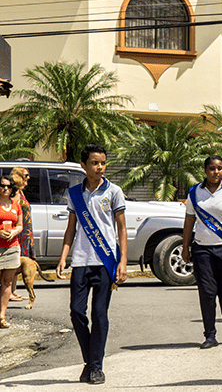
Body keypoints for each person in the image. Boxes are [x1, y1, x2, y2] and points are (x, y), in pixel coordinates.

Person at [56, 144, 128, 385]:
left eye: (103, 163)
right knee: (76, 312)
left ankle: (96, 367)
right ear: (83, 166)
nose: (99, 167)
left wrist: (123, 261)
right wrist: (64, 256)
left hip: (105, 261)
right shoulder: (75, 193)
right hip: (80, 261)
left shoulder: (114, 191)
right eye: (95, 163)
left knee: (99, 313)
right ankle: (90, 360)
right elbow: (71, 228)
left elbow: (121, 228)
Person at [181, 155, 222, 349]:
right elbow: (189, 221)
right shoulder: (195, 192)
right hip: (202, 249)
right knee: (207, 293)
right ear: (205, 170)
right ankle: (209, 335)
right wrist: (185, 246)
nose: (216, 172)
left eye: (219, 168)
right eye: (212, 168)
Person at [0, 175, 23, 330]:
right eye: (2, 186)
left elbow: (21, 225)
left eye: (8, 186)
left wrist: (15, 232)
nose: (5, 189)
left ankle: (2, 315)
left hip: (12, 246)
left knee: (8, 282)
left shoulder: (16, 204)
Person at [9, 167, 32, 302]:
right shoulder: (16, 193)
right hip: (19, 233)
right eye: (26, 175)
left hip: (25, 232)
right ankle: (10, 292)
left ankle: (13, 291)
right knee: (14, 262)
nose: (28, 178)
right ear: (18, 176)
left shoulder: (20, 192)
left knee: (17, 262)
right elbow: (14, 211)